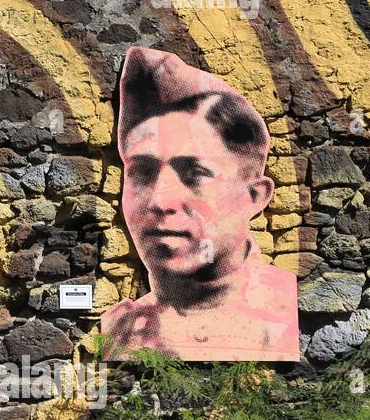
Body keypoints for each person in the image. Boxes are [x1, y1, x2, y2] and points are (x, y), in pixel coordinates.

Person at [101, 46, 299, 361]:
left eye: (195, 173)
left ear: (254, 196)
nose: (159, 200)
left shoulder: (277, 313)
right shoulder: (121, 327)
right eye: (142, 172)